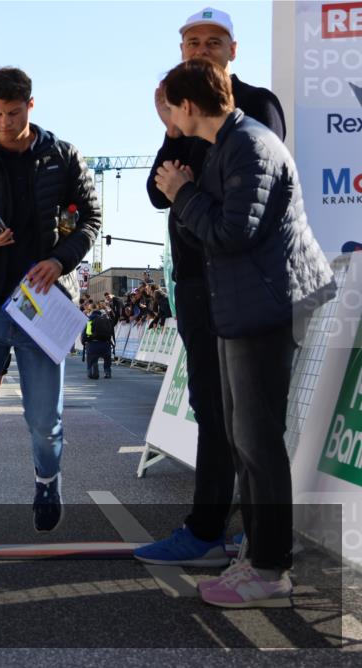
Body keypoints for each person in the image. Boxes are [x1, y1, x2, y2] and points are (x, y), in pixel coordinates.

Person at [150, 58, 333, 608]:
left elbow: (233, 232)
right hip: (242, 307)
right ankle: (256, 558)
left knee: (258, 442)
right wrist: (185, 194)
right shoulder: (231, 142)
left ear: (186, 106)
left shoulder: (250, 144)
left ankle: (271, 569)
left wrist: (183, 192)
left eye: (167, 109)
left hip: (263, 307)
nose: (166, 120)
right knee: (245, 439)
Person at [136, 6, 292, 573]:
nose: (202, 49)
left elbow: (239, 197)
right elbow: (158, 193)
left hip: (243, 283)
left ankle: (245, 545)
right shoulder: (180, 110)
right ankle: (216, 533)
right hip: (197, 282)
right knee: (213, 408)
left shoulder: (254, 106)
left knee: (248, 425)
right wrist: (174, 129)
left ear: (233, 50)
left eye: (213, 40)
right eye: (192, 41)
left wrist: (185, 164)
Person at [0, 67, 100, 562]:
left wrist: (60, 259)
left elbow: (91, 220)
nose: (4, 123)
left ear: (31, 105)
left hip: (44, 308)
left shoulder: (65, 155)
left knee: (43, 422)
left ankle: (47, 481)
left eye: (12, 113)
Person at [83, 303, 114, 379]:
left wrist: (85, 341)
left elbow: (87, 333)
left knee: (91, 357)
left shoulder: (90, 320)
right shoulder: (106, 320)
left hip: (93, 344)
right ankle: (107, 372)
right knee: (107, 359)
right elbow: (111, 333)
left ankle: (90, 371)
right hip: (106, 345)